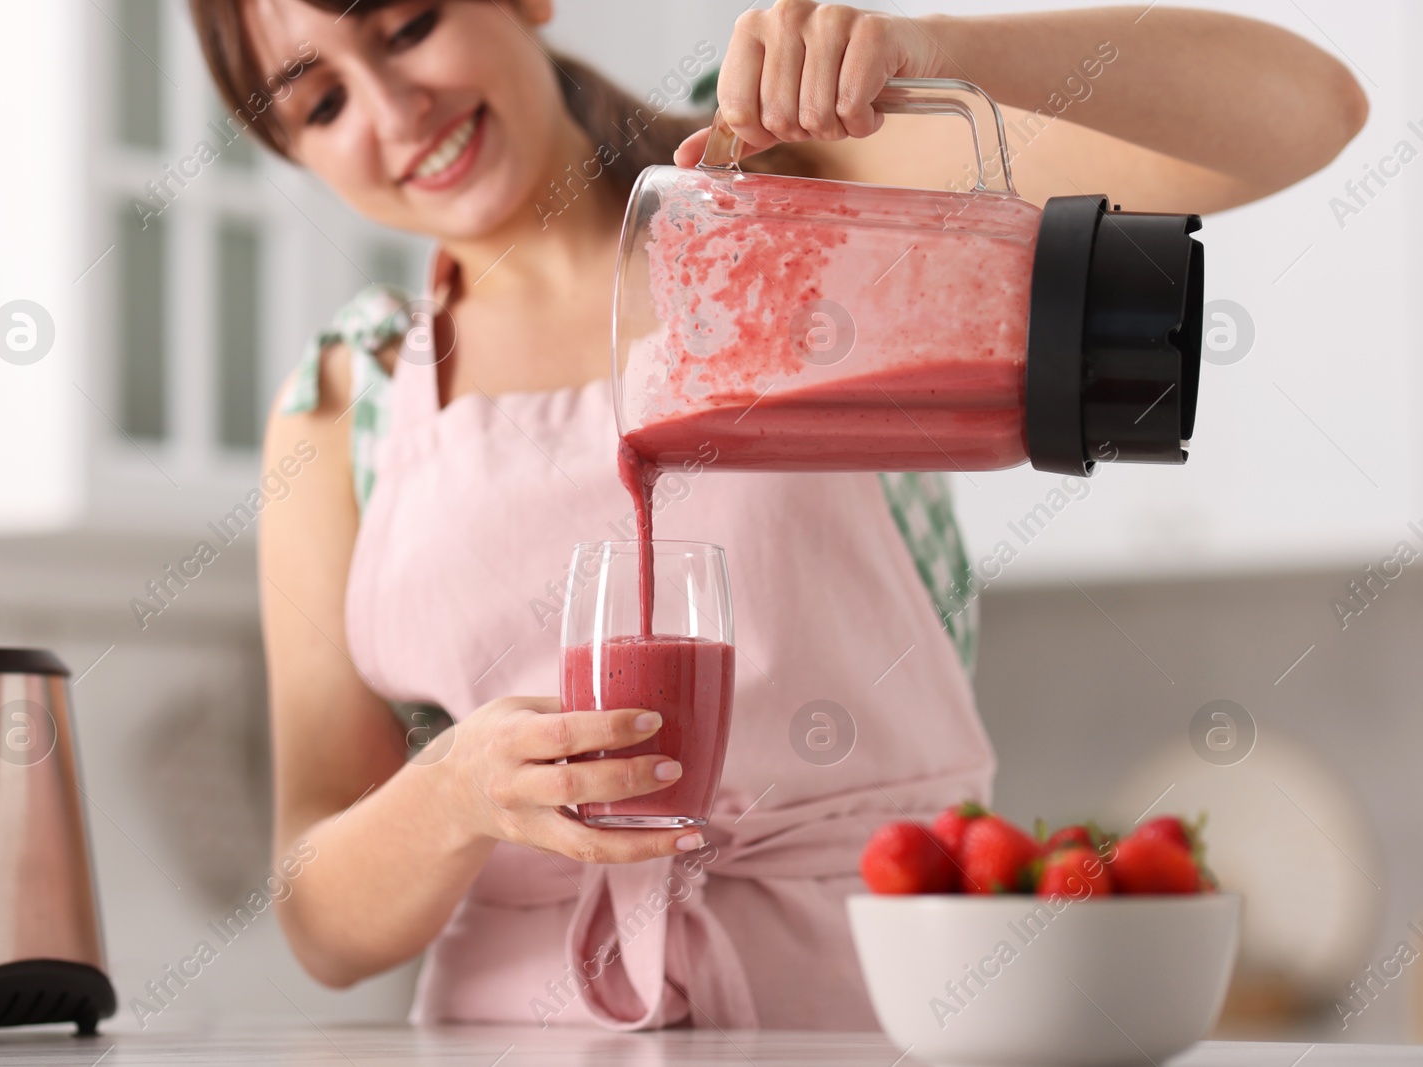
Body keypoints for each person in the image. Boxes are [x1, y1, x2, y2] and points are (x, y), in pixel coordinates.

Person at [188, 0, 1365, 1030]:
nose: (395, 110)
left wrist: (930, 48)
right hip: (516, 1030)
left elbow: (1307, 112)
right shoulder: (346, 397)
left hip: (869, 1009)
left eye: (408, 25)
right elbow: (320, 920)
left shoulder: (798, 186)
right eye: (321, 102)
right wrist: (449, 795)